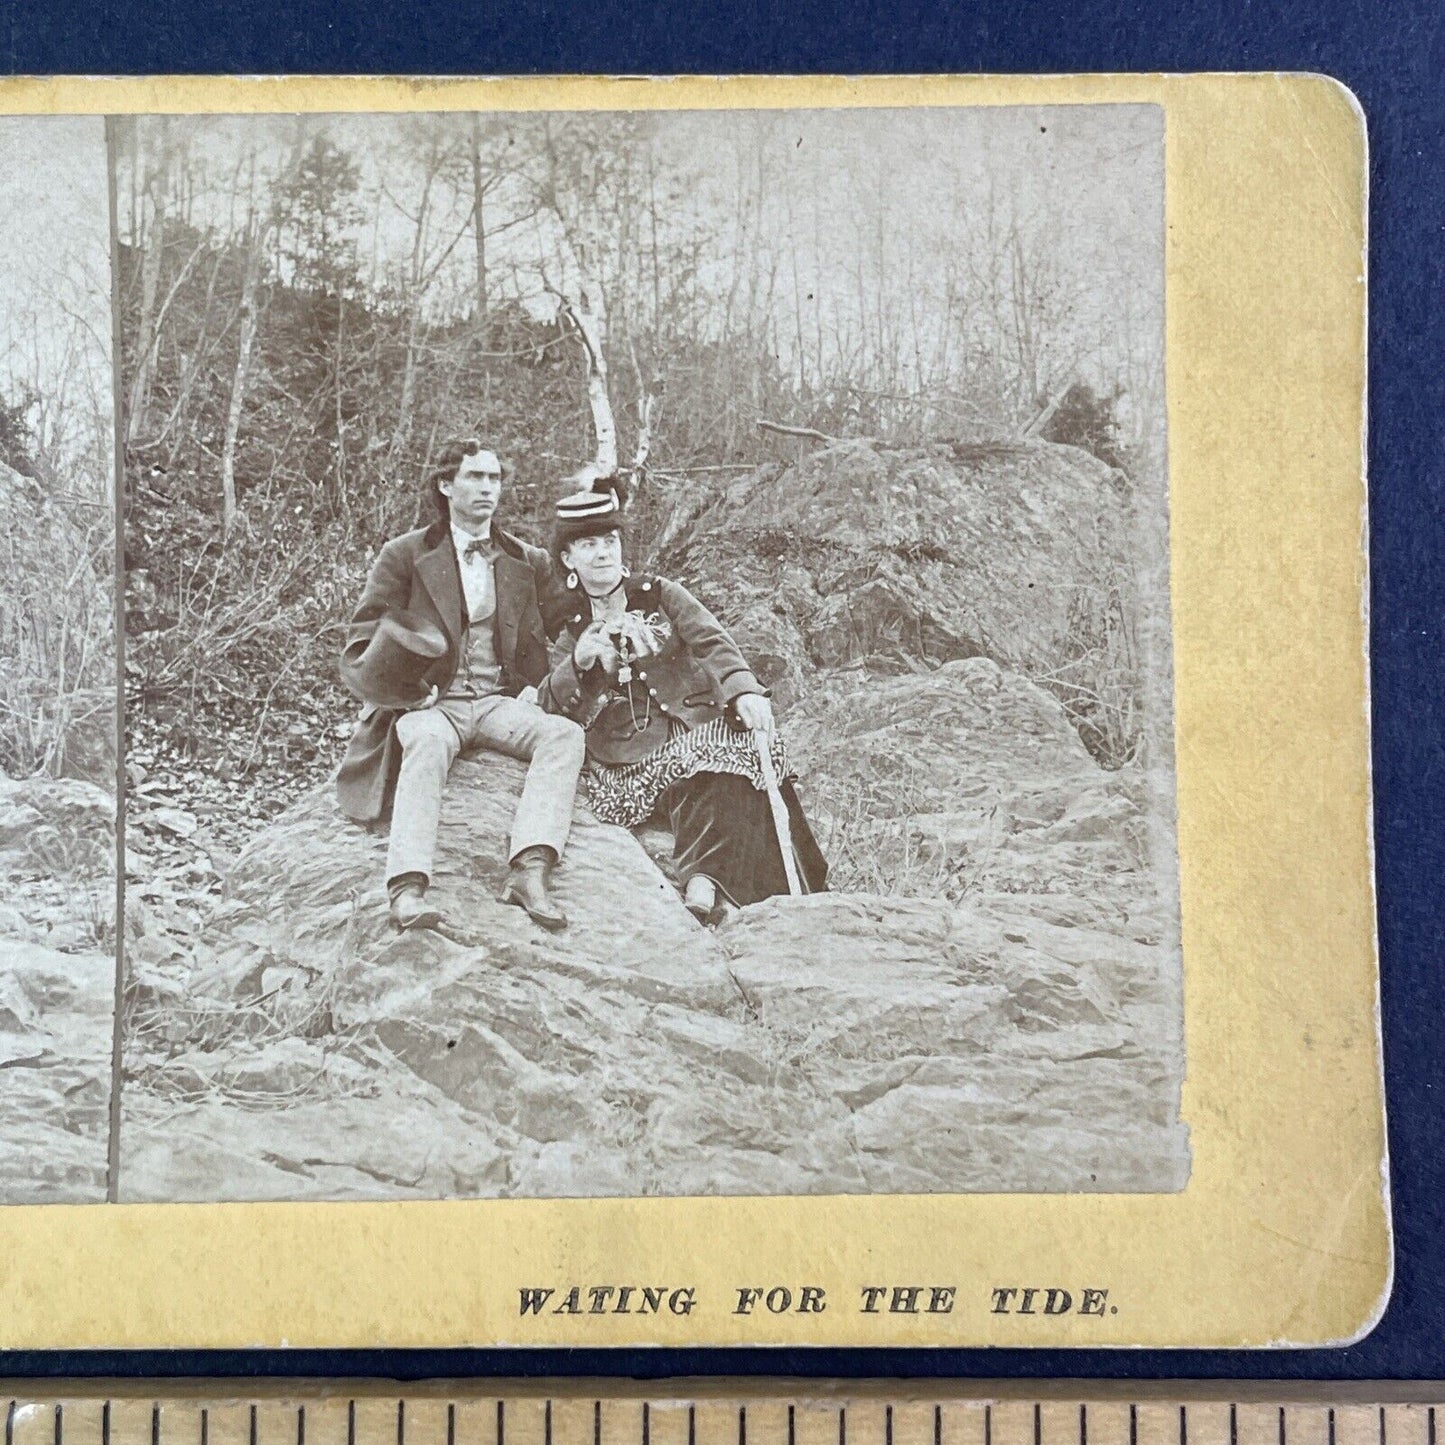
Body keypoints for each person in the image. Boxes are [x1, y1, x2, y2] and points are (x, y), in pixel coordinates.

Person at [537, 476, 826, 923]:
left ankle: (706, 883)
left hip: (695, 724)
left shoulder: (659, 594)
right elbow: (549, 705)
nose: (603, 553)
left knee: (742, 752)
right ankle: (707, 882)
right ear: (567, 558)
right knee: (713, 762)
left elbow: (713, 643)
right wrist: (578, 663)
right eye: (589, 545)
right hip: (627, 753)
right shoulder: (565, 622)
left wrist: (744, 690)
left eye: (610, 541)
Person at [336, 440, 585, 933]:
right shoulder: (405, 555)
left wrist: (558, 672)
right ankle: (407, 888)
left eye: (495, 478)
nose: (488, 489)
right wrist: (409, 694)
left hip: (497, 701)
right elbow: (361, 643)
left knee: (564, 735)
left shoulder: (525, 559)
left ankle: (530, 869)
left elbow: (571, 621)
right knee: (425, 743)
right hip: (433, 705)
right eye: (475, 477)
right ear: (446, 485)